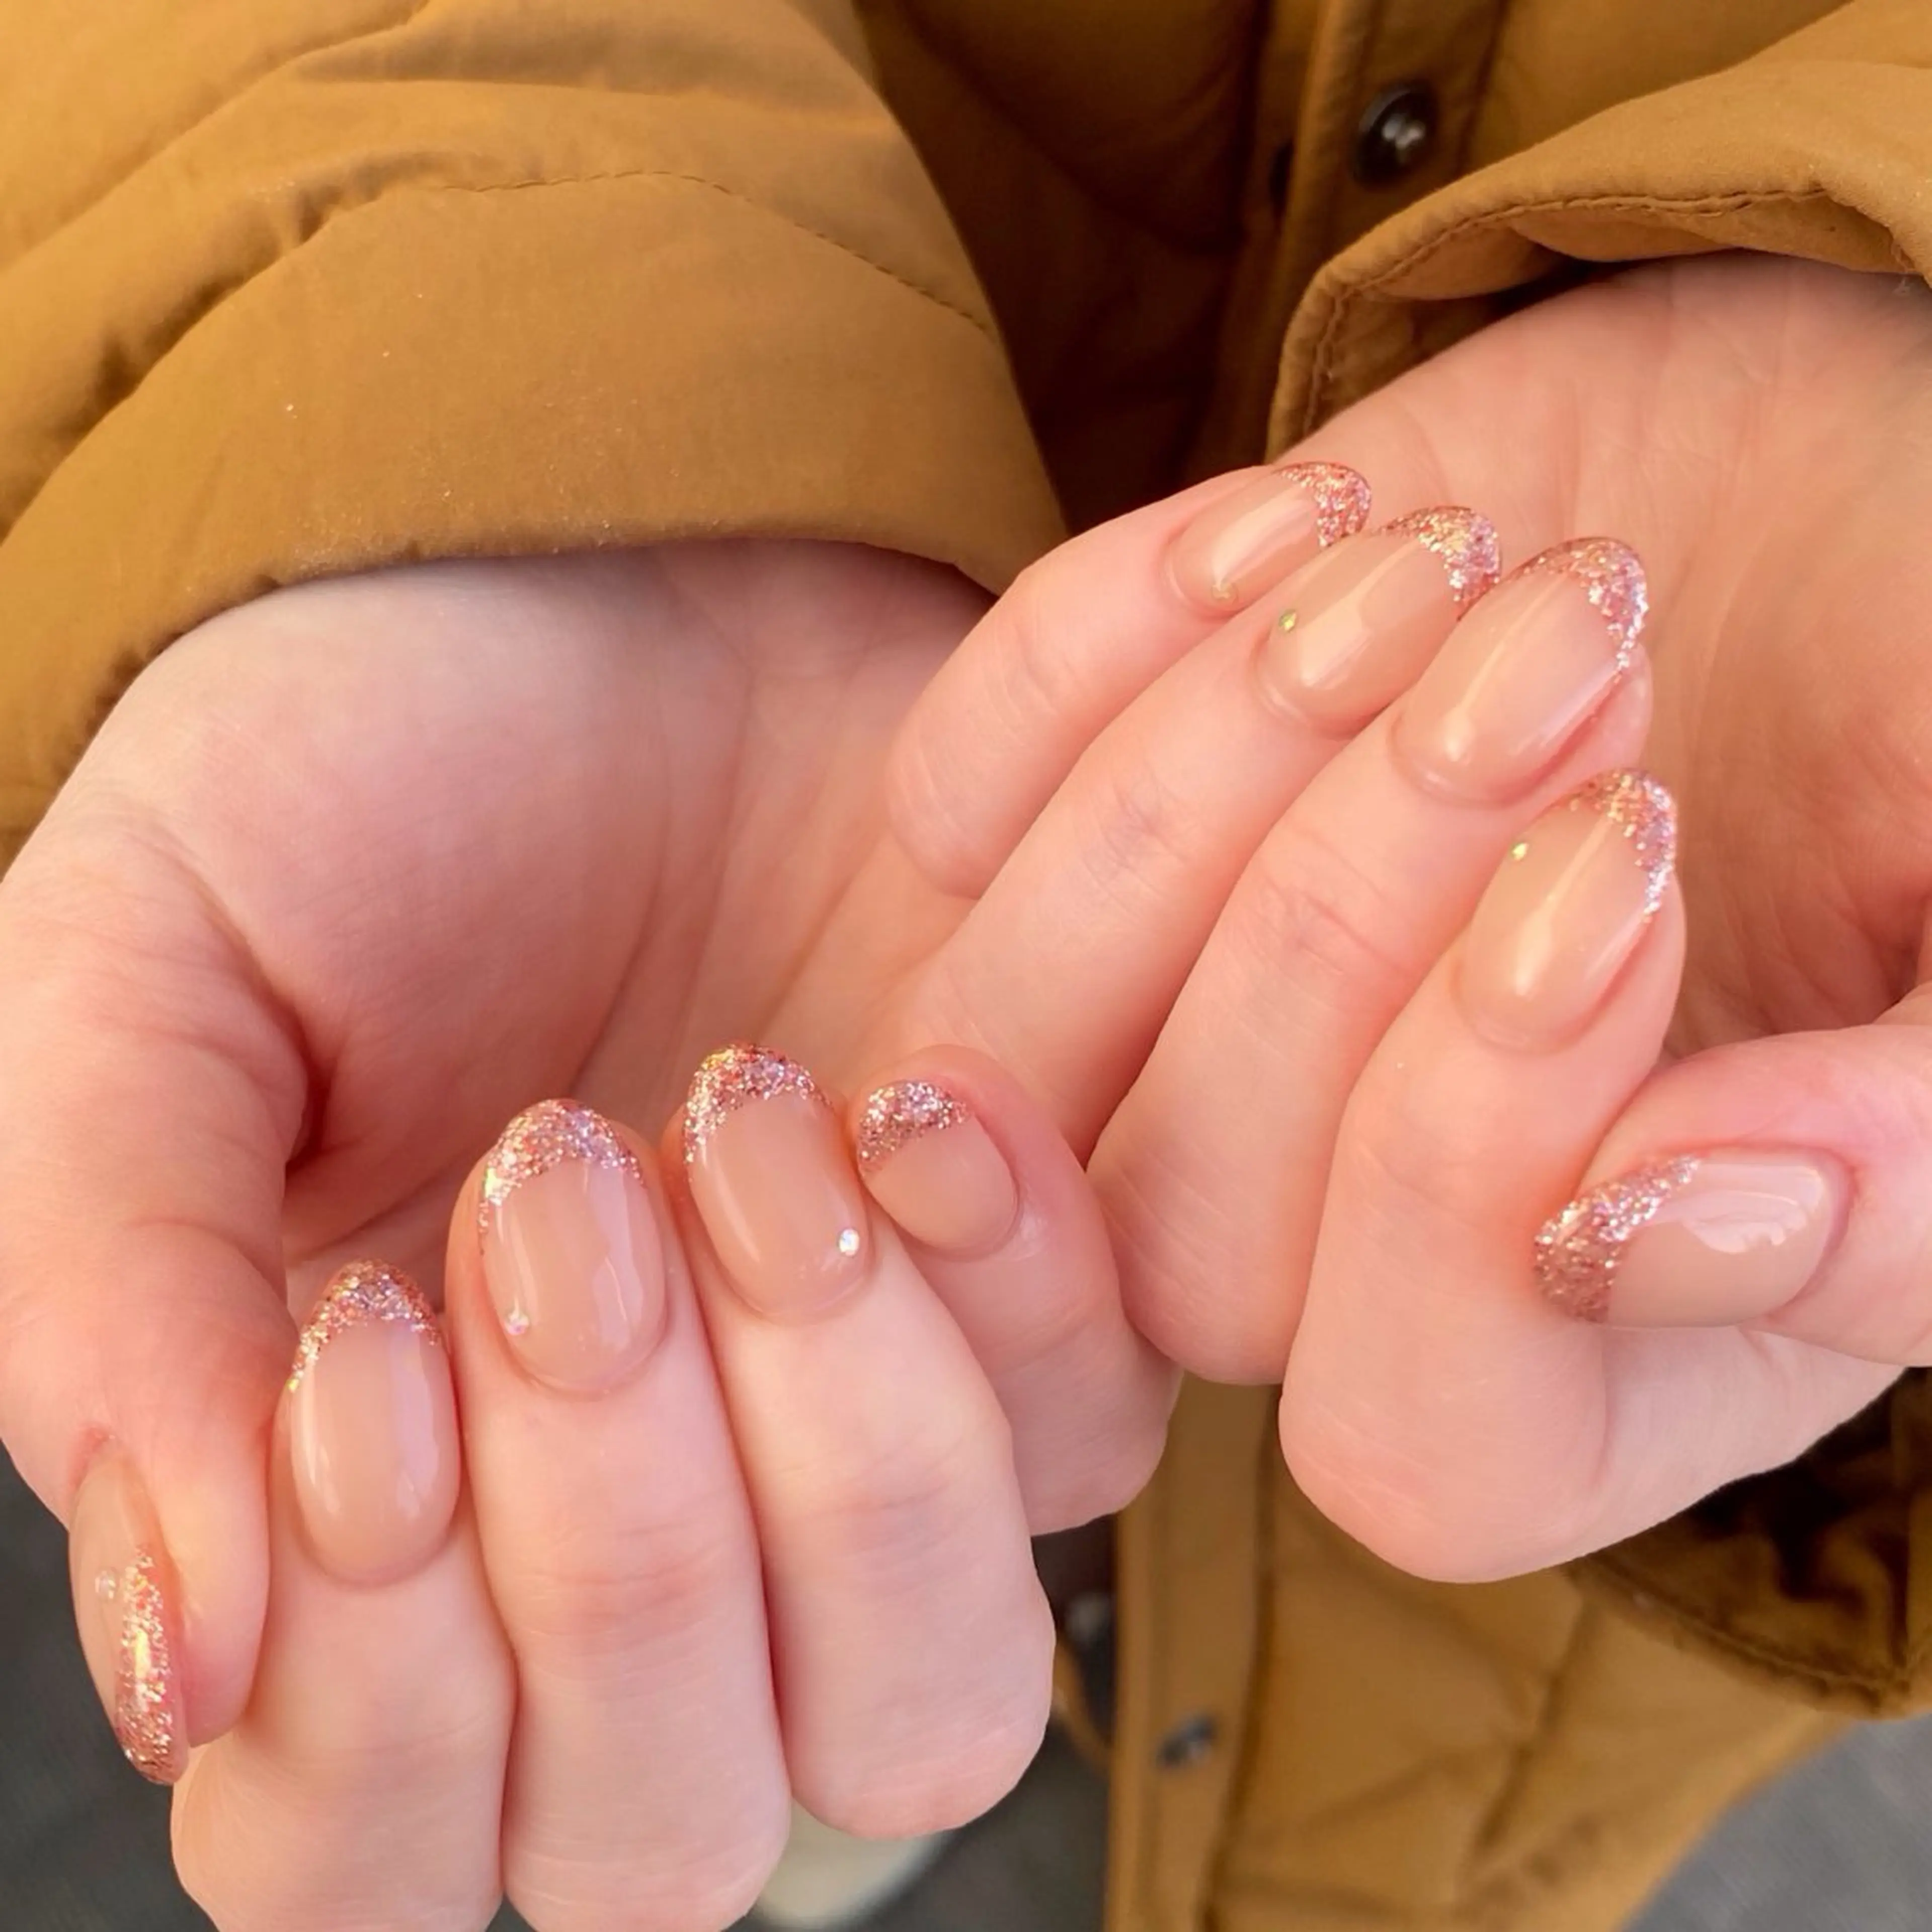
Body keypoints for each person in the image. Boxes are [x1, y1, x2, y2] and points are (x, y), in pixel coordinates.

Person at [3, 4, 1932, 1929]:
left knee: (825, 1548)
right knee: (748, 1574)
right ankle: (810, 1658)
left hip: (1505, 1598)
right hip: (788, 408)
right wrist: (485, 404)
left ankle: (826, 1649)